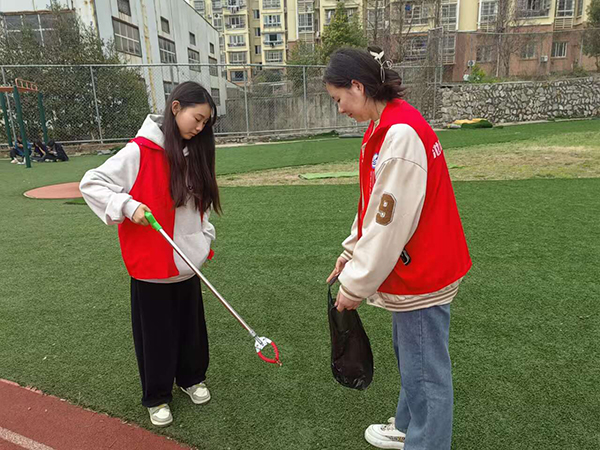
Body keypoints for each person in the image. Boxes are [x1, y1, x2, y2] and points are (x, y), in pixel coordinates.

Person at [324, 47, 472, 450]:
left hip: (424, 271)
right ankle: (408, 426)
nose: (339, 110)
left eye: (338, 99)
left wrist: (353, 286)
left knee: (425, 369)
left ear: (357, 86)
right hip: (420, 265)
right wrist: (351, 250)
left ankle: (427, 442)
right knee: (413, 356)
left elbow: (389, 225)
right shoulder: (388, 124)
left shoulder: (400, 132)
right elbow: (375, 203)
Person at [79, 81, 220, 428]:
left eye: (205, 123)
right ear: (176, 109)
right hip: (150, 267)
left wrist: (203, 239)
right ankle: (156, 395)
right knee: (156, 334)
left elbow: (199, 209)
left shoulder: (195, 151)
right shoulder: (139, 151)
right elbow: (92, 183)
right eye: (196, 119)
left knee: (191, 329)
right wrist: (127, 205)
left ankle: (190, 378)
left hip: (187, 264)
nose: (200, 128)